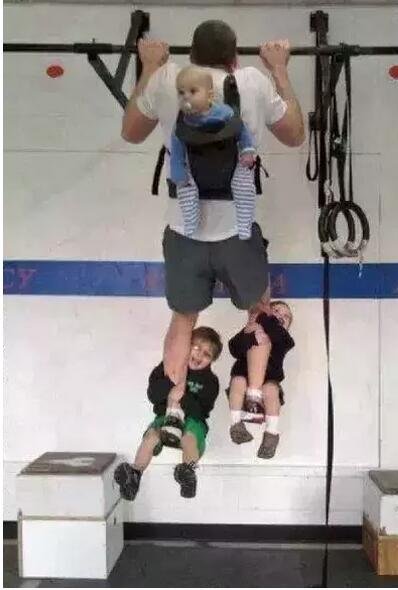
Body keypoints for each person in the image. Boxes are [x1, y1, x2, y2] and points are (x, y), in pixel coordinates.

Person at [121, 21, 304, 409]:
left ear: (191, 56)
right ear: (235, 59)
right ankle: (255, 394)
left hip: (183, 230)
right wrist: (279, 69)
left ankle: (171, 411)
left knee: (182, 320)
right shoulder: (252, 81)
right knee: (260, 309)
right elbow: (294, 134)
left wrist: (150, 66)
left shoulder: (170, 79)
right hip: (238, 231)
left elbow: (131, 132)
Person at [114, 326, 222, 500]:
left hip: (191, 422)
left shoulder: (210, 382)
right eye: (196, 347)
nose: (199, 355)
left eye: (207, 354)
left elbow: (202, 410)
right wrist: (171, 386)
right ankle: (135, 474)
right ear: (186, 346)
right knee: (151, 437)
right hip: (165, 418)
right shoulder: (167, 367)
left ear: (211, 360)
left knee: (190, 439)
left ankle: (188, 474)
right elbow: (153, 395)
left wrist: (182, 397)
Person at [171, 65, 257, 239]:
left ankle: (244, 224)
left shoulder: (225, 113)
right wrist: (178, 171)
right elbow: (177, 149)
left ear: (209, 95)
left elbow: (241, 130)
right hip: (196, 165)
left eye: (192, 91)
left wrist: (247, 151)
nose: (186, 96)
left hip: (229, 162)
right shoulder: (183, 123)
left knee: (245, 184)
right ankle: (190, 222)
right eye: (181, 92)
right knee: (184, 186)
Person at [228, 300, 294, 459]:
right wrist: (251, 336)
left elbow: (276, 334)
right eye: (276, 311)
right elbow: (234, 347)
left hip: (269, 383)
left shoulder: (284, 339)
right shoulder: (251, 329)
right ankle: (236, 425)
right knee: (237, 381)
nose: (280, 316)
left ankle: (271, 434)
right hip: (244, 381)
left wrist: (261, 315)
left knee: (271, 390)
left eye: (286, 316)